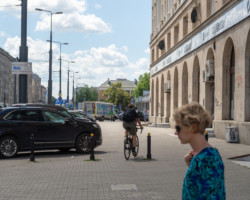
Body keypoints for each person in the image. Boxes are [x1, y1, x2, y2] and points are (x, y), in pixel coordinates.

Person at [173, 102, 225, 200]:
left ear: (193, 127)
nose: (176, 132)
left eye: (178, 128)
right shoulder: (201, 156)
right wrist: (190, 165)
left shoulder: (208, 159)